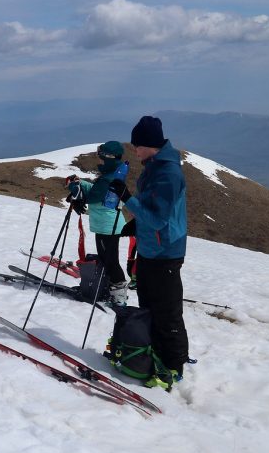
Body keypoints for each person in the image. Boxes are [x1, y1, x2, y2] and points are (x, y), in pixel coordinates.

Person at [108, 115, 188, 389]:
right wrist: (135, 226)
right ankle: (152, 356)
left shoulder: (169, 173)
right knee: (148, 308)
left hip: (166, 252)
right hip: (151, 249)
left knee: (167, 312)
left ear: (150, 144)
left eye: (138, 145)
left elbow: (158, 219)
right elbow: (147, 210)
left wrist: (127, 198)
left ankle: (174, 367)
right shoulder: (153, 166)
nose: (135, 150)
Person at [65, 141, 129, 306]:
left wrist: (75, 187)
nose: (100, 160)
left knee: (110, 260)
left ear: (108, 157)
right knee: (106, 258)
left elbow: (93, 197)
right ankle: (109, 289)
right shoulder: (115, 173)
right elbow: (97, 192)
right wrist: (81, 185)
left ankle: (119, 296)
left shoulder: (108, 177)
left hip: (108, 226)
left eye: (102, 157)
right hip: (109, 224)